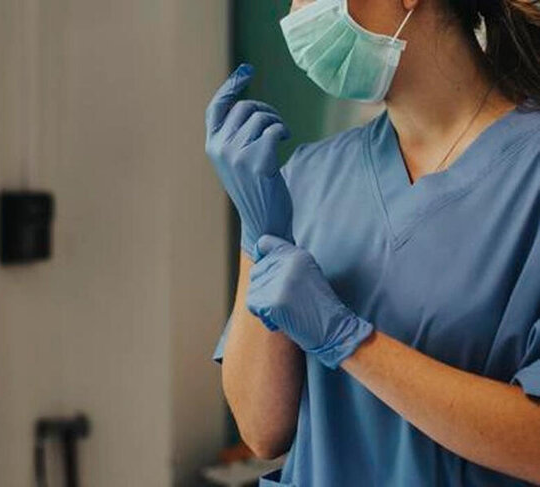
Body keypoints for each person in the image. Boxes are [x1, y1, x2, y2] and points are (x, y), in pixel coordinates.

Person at [204, 0, 540, 485]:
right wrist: (262, 236)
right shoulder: (306, 178)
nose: (296, 13)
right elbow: (261, 431)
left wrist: (349, 341)